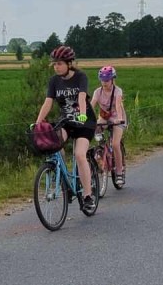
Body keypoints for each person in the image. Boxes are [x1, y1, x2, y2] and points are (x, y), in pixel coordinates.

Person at [34, 45, 97, 211]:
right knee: (54, 145)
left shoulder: (80, 77)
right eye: (54, 64)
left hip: (85, 121)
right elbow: (48, 102)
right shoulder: (54, 81)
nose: (56, 67)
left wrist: (82, 115)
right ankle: (65, 182)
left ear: (69, 63)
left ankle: (88, 195)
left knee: (79, 154)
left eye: (60, 63)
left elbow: (82, 98)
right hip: (67, 121)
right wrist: (38, 122)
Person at [92, 65, 128, 188]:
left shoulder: (117, 91)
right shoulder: (97, 92)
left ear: (112, 79)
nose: (104, 82)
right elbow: (91, 106)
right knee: (97, 131)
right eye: (102, 80)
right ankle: (101, 151)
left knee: (116, 144)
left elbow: (118, 105)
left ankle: (119, 171)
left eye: (107, 80)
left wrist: (119, 119)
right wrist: (84, 117)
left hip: (117, 117)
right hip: (104, 117)